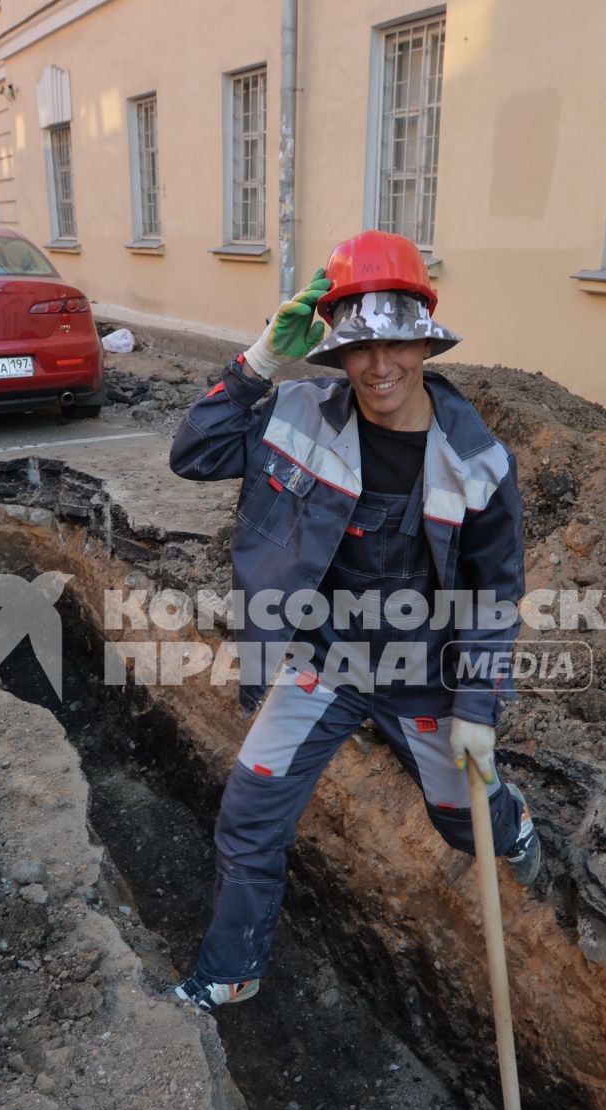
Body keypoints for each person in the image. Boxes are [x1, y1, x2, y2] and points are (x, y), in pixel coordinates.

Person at [166, 230, 540, 1014]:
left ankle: (512, 824)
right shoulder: (300, 411)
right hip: (323, 661)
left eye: (398, 345)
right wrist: (261, 361)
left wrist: (476, 709)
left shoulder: (476, 462)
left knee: (463, 824)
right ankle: (232, 971)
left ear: (424, 340)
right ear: (336, 347)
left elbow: (494, 591)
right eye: (361, 347)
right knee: (251, 810)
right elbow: (193, 455)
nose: (380, 367)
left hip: (421, 677)